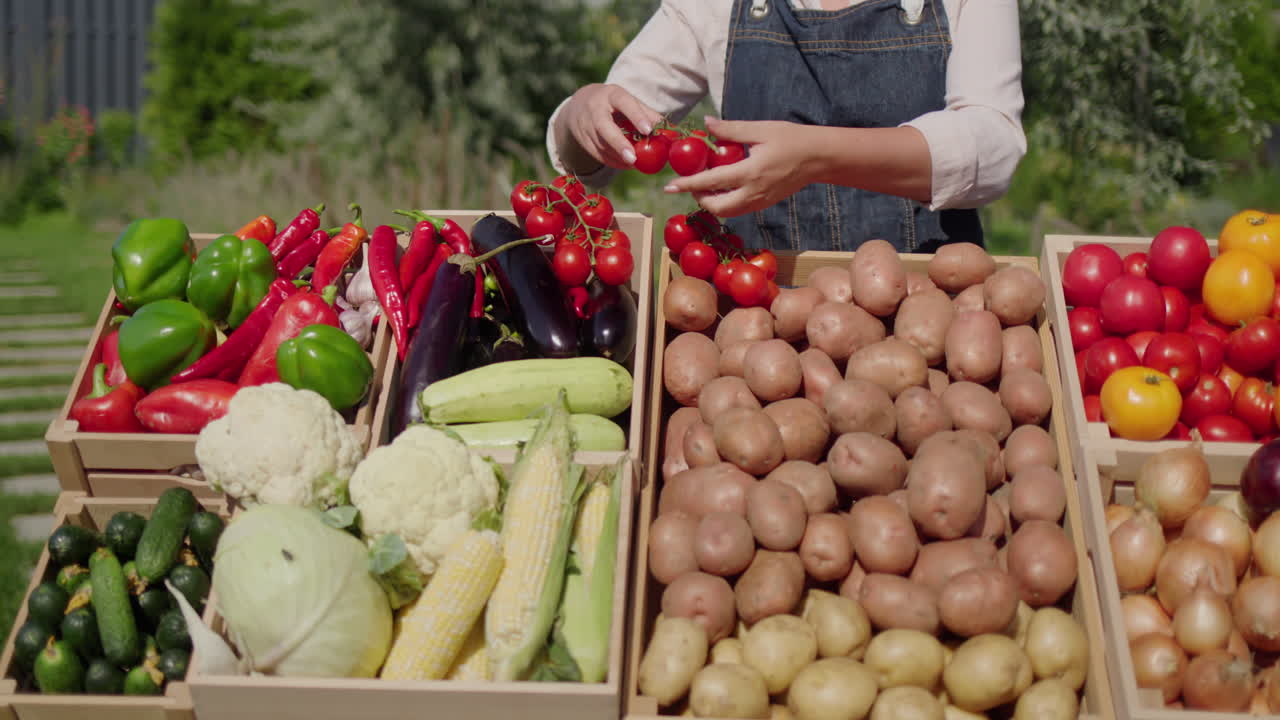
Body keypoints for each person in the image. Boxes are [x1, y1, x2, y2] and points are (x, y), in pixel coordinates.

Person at [546, 0, 1026, 253]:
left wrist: (816, 156)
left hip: (932, 306)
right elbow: (598, 152)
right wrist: (580, 113)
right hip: (759, 308)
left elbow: (993, 149)